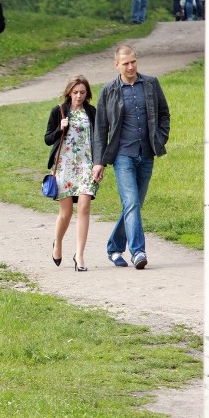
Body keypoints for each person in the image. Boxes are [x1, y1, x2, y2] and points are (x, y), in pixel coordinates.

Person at [92, 44, 170, 270]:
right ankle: (138, 252)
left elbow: (164, 114)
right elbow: (101, 129)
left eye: (133, 61)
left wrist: (160, 138)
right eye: (125, 63)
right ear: (116, 65)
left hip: (146, 154)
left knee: (134, 205)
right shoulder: (108, 91)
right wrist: (99, 162)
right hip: (122, 156)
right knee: (132, 203)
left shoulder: (151, 84)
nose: (131, 66)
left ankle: (114, 248)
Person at [44, 76, 97, 272]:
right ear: (69, 93)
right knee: (65, 213)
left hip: (86, 165)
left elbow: (99, 139)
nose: (79, 96)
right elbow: (48, 139)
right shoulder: (58, 111)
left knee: (84, 208)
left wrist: (99, 165)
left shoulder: (92, 112)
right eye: (75, 92)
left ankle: (80, 255)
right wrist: (61, 128)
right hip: (64, 165)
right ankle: (57, 243)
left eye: (83, 92)